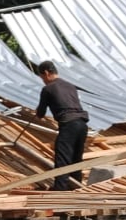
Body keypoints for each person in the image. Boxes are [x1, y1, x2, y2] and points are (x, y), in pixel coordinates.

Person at [35, 60, 90, 190]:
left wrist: (38, 110)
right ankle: (76, 187)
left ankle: (59, 190)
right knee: (76, 158)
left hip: (69, 124)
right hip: (82, 124)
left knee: (62, 159)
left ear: (47, 73)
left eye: (42, 77)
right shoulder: (71, 86)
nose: (43, 80)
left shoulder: (48, 89)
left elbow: (41, 113)